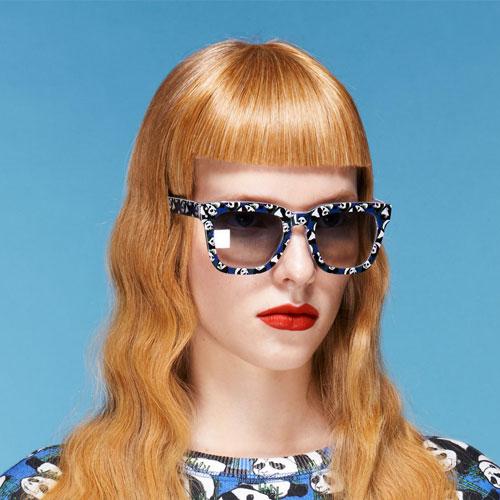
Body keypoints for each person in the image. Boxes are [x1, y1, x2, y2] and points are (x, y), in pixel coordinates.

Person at [1, 38, 499, 500]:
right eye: (246, 221)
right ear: (162, 238)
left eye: (333, 222)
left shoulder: (458, 485)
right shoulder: (49, 491)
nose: (300, 270)